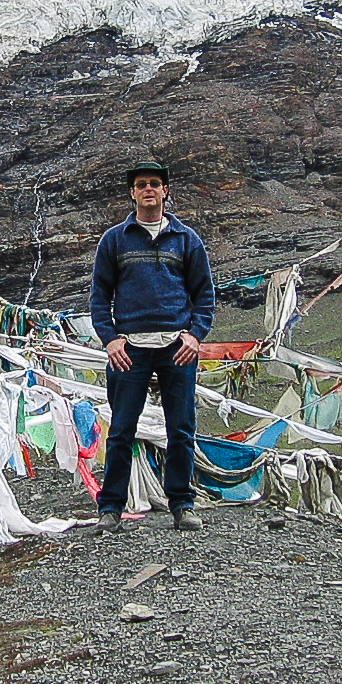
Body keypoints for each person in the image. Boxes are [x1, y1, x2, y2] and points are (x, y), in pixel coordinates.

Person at [89, 160, 215, 532]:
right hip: (129, 351)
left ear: (165, 191)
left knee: (181, 429)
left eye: (155, 184)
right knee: (121, 430)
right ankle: (110, 509)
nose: (148, 189)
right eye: (141, 184)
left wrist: (194, 335)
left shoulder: (186, 239)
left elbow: (204, 295)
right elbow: (99, 297)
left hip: (177, 347)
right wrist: (110, 339)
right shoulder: (114, 240)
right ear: (132, 193)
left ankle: (182, 505)